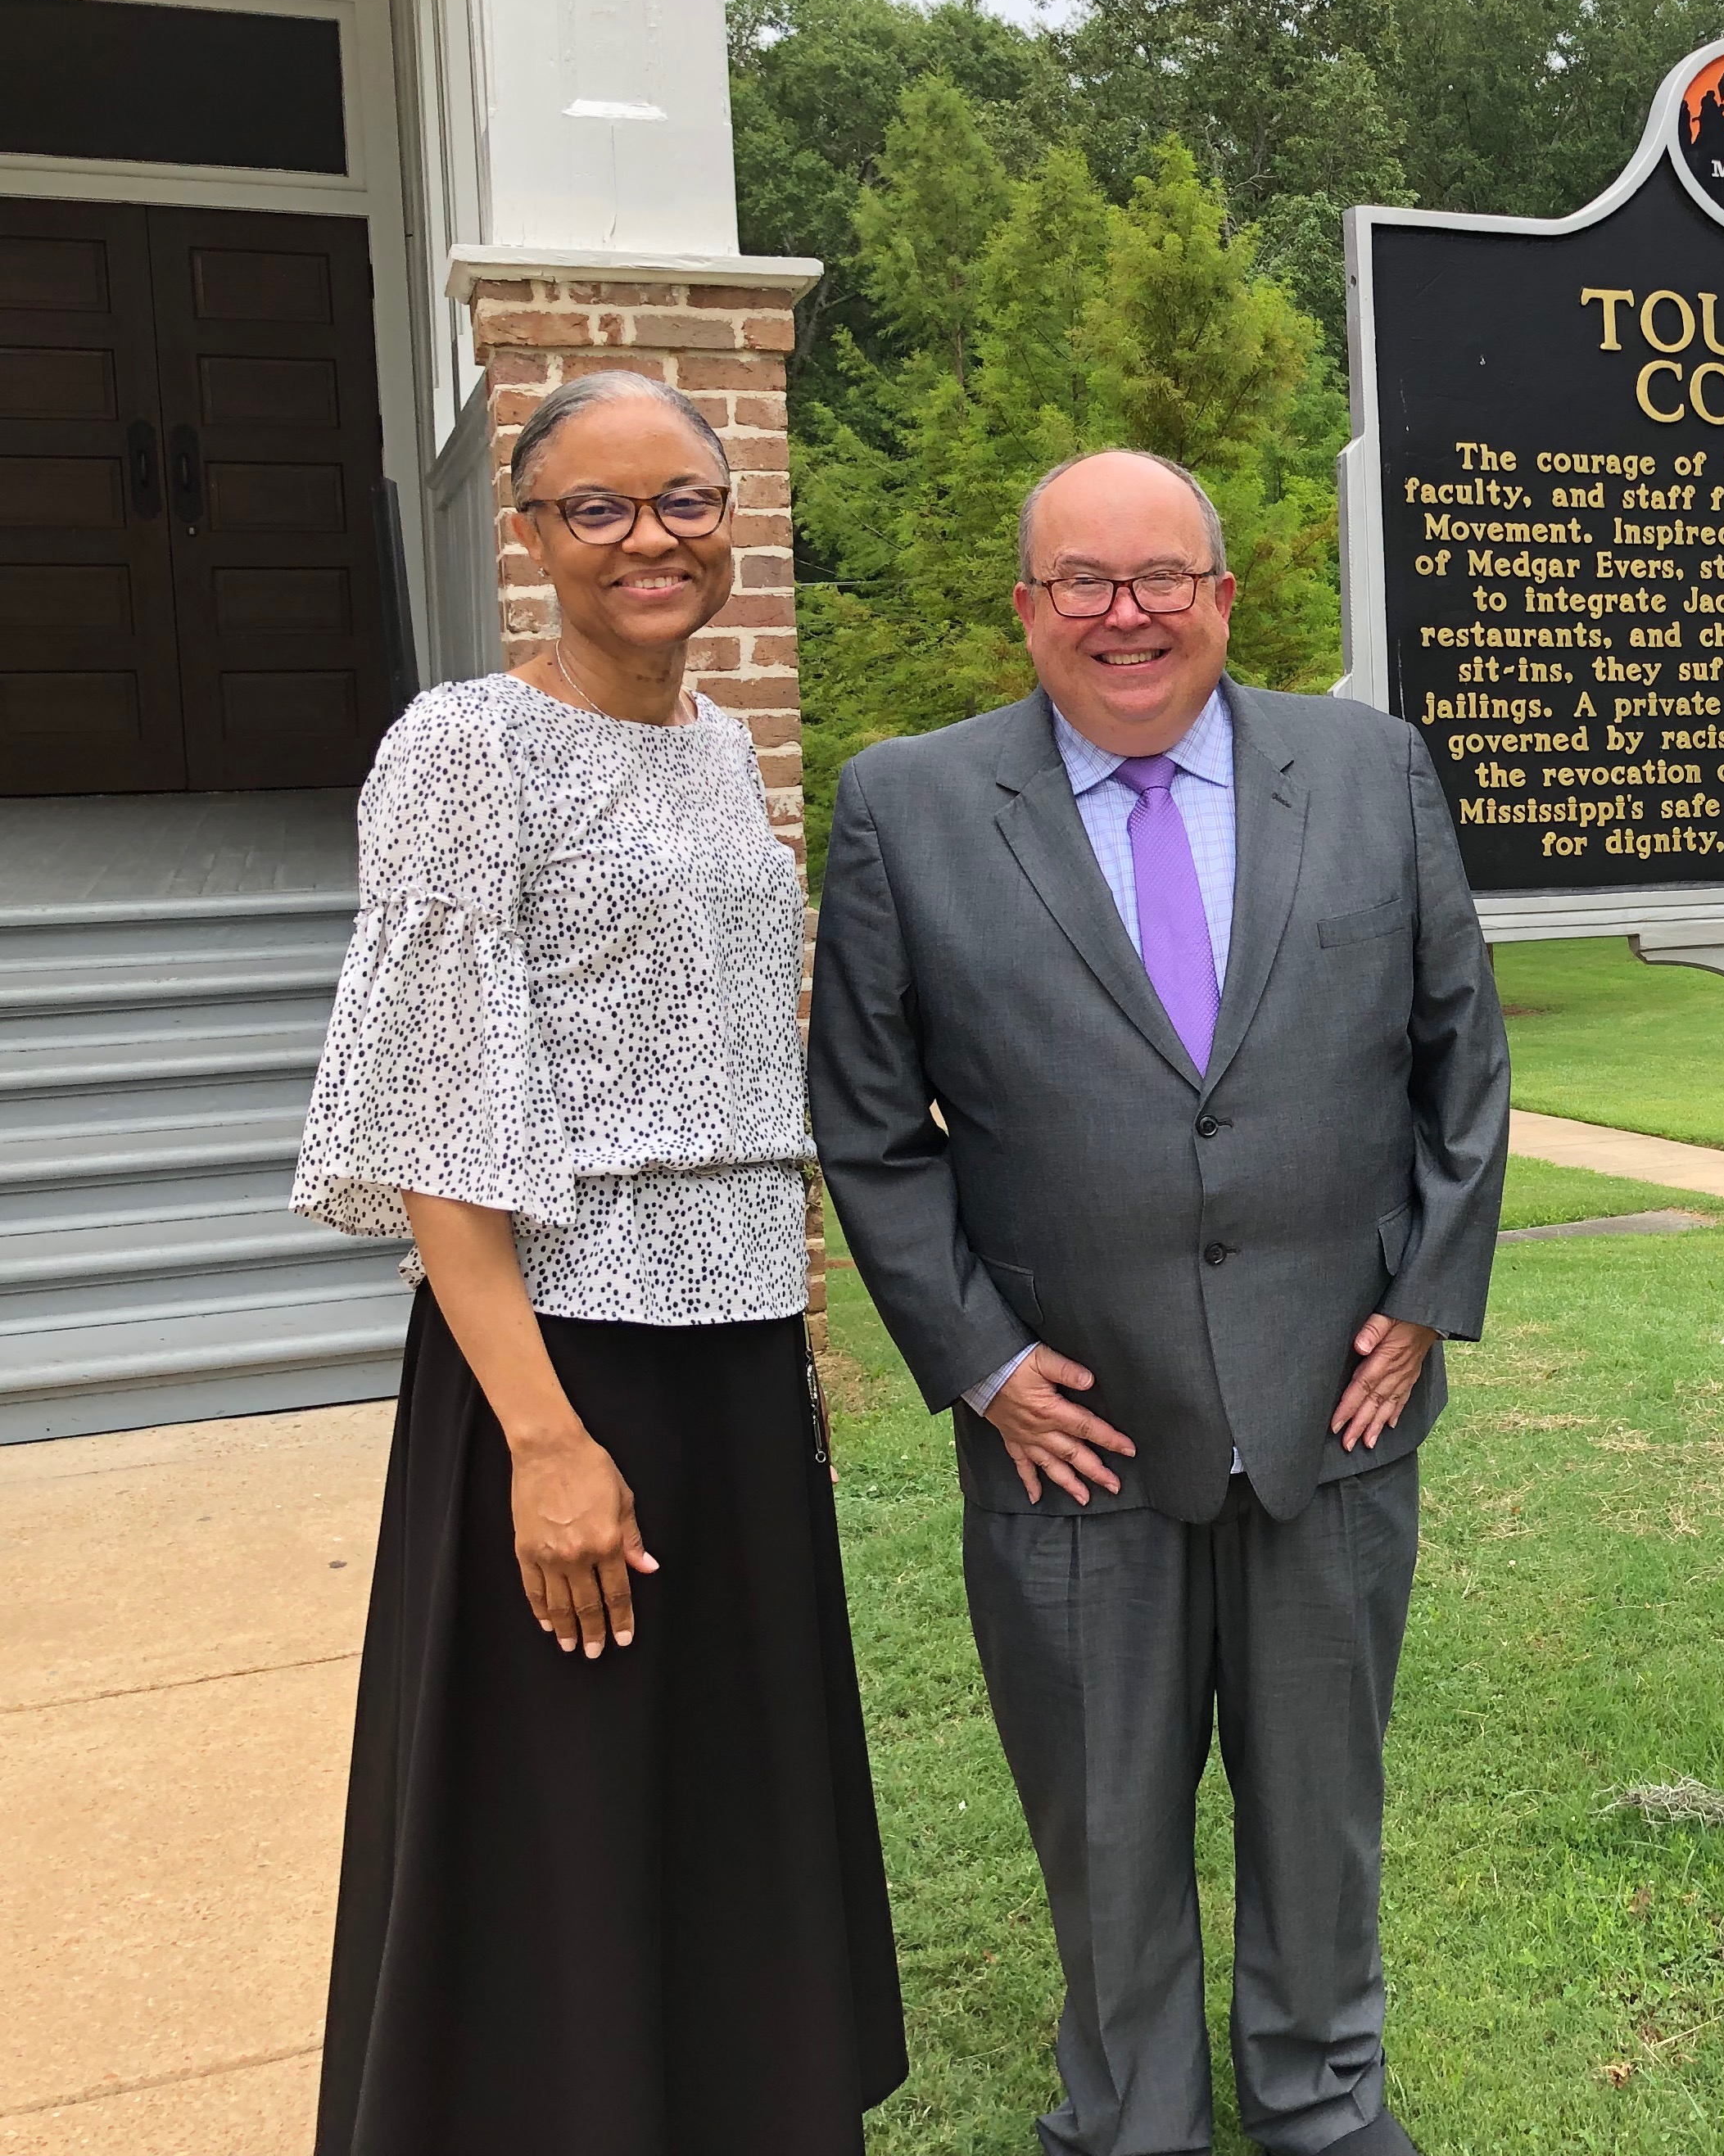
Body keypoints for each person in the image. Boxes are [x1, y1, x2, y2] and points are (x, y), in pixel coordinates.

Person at [810, 450, 1510, 2156]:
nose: (1128, 615)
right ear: (1028, 610)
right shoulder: (908, 802)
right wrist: (978, 1363)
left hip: (1332, 1403)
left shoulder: (1367, 770)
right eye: (1084, 583)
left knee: (1321, 1810)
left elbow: (1460, 1059)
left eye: (1161, 578)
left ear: (1222, 594)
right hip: (1071, 1428)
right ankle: (1129, 2118)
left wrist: (1423, 1300)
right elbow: (870, 1125)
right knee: (1106, 1825)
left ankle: (1322, 2104)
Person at [294, 369, 904, 2155]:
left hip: (735, 1343)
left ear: (734, 519)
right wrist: (545, 1443)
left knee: (719, 1786)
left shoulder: (717, 744)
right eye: (600, 509)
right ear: (533, 535)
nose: (652, 540)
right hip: (566, 1353)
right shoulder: (465, 746)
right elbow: (436, 1116)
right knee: (557, 1806)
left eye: (685, 502)